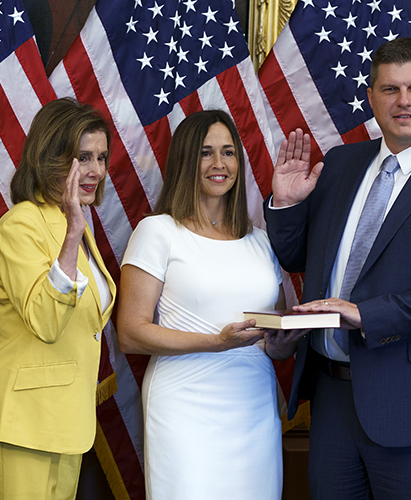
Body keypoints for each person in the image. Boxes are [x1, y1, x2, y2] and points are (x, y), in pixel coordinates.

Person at [265, 37, 411, 499]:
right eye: (390, 89)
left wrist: (366, 314)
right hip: (332, 396)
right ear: (371, 97)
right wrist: (286, 204)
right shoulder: (339, 164)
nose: (403, 101)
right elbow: (299, 258)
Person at [118, 110, 299, 499]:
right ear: (185, 160)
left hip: (252, 403)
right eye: (206, 153)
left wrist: (287, 338)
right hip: (184, 406)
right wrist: (217, 342)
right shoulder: (158, 231)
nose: (219, 164)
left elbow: (275, 338)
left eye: (229, 152)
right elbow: (131, 334)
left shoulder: (261, 241)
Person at [0, 98, 117, 499]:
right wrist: (71, 236)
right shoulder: (21, 225)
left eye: (101, 157)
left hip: (65, 423)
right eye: (83, 157)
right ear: (52, 157)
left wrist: (73, 230)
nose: (96, 171)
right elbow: (47, 322)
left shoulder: (77, 226)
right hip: (22, 422)